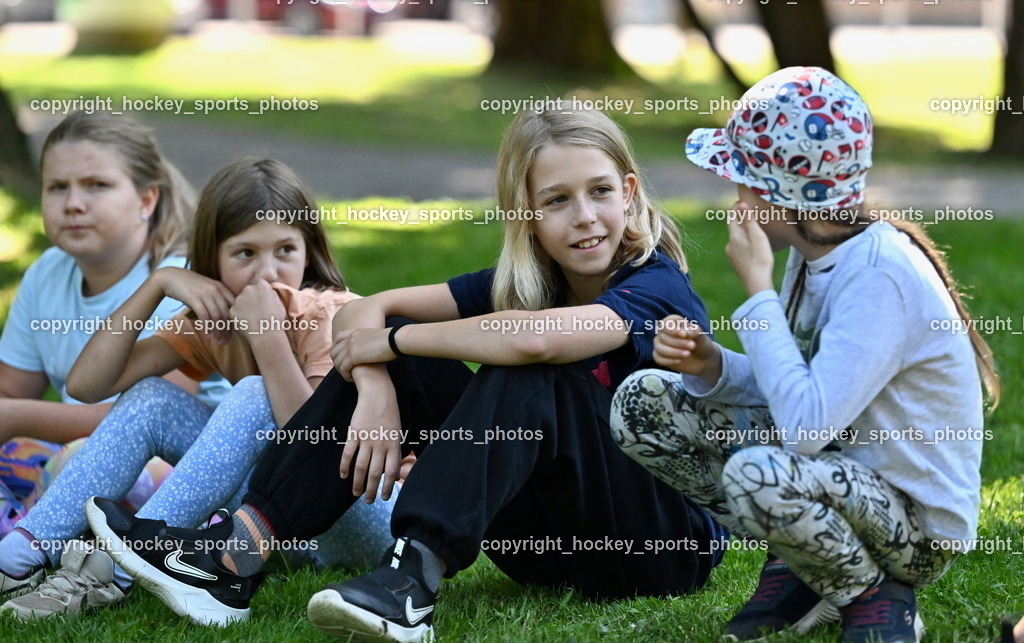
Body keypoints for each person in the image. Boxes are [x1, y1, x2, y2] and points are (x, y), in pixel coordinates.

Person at [85, 106, 727, 639]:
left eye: (600, 192)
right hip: (550, 547)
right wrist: (375, 384)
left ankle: (411, 577)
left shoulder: (655, 286)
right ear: (525, 214)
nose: (584, 216)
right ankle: (232, 557)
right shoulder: (525, 282)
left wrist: (388, 344)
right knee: (412, 361)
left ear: (630, 193)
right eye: (557, 200)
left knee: (527, 368)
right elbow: (365, 309)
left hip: (659, 547)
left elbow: (532, 341)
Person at [608, 67, 1000, 643]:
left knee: (754, 473)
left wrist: (758, 292)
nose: (733, 197)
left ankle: (876, 598)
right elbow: (800, 392)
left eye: (740, 180)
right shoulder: (811, 254)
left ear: (777, 194)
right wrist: (711, 366)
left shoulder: (877, 277)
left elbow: (805, 428)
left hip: (913, 526)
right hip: (838, 478)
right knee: (643, 404)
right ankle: (803, 562)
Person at [0, 158, 394, 621]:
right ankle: (19, 556)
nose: (267, 274)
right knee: (151, 398)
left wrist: (267, 338)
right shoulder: (213, 319)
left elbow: (315, 451)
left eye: (285, 249)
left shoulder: (330, 312)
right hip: (274, 528)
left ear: (309, 252)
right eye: (244, 254)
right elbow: (87, 385)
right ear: (213, 262)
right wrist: (158, 284)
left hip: (366, 514)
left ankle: (111, 570)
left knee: (253, 392)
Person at [0, 112, 228, 537]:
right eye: (57, 187)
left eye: (96, 185)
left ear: (146, 200)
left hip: (186, 466)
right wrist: (10, 415)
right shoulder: (46, 272)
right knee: (38, 458)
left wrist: (13, 417)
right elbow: (11, 391)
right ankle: (31, 519)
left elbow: (149, 422)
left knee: (80, 461)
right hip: (75, 454)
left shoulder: (182, 283)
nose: (73, 204)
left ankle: (31, 530)